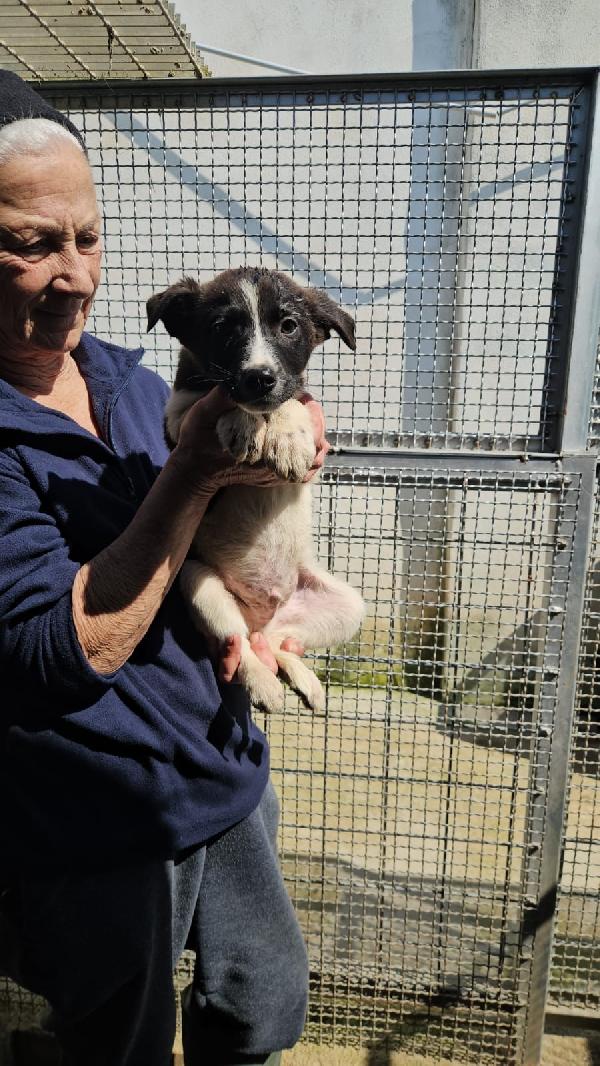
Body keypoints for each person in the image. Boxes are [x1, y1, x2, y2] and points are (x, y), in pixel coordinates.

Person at [0, 71, 327, 1066]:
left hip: (218, 770)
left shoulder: (125, 377)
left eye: (87, 238)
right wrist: (193, 472)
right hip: (91, 822)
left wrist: (287, 457)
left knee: (264, 1008)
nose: (75, 274)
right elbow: (53, 650)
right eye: (30, 244)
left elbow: (231, 528)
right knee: (119, 1043)